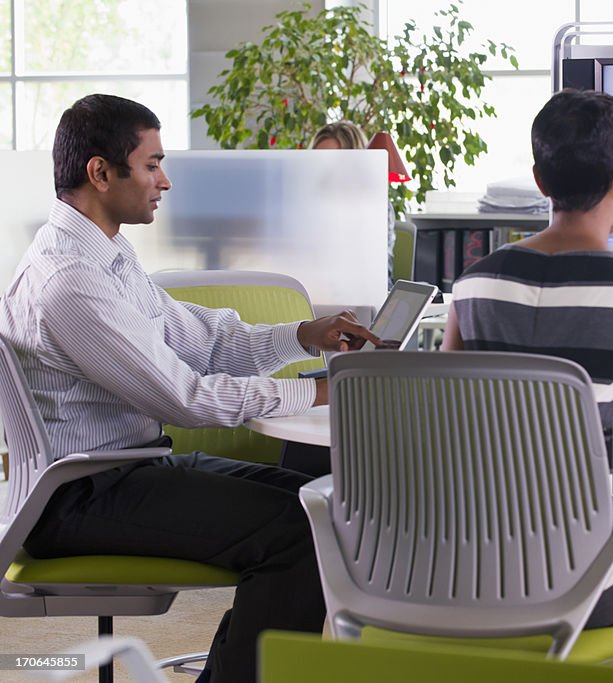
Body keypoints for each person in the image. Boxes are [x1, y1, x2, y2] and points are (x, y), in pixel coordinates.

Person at [0, 94, 383, 683]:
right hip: (79, 495)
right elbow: (187, 398)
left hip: (127, 468)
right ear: (100, 173)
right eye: (151, 164)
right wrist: (322, 394)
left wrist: (306, 335)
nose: (165, 180)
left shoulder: (104, 254)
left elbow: (200, 339)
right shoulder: (70, 281)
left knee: (324, 502)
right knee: (301, 534)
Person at [442, 89, 613, 638]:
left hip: (461, 563)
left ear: (539, 179)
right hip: (583, 573)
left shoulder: (473, 284)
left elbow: (449, 413)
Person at [311, 120, 396, 286]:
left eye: (332, 161)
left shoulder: (374, 205)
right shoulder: (308, 203)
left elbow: (372, 271)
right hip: (315, 293)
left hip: (361, 296)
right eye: (317, 159)